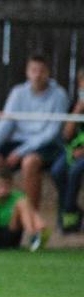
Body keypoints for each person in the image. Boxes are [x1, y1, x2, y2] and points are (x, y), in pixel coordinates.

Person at [0, 53, 67, 211]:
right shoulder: (18, 92)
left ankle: (30, 219)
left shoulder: (59, 95)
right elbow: (6, 122)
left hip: (46, 145)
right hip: (19, 143)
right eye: (33, 70)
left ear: (48, 72)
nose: (37, 75)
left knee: (29, 162)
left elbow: (52, 132)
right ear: (27, 72)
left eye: (41, 70)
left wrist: (21, 151)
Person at [0, 168, 47, 251]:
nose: (3, 190)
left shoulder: (19, 196)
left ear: (11, 185)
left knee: (22, 203)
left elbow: (33, 213)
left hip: (12, 232)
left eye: (6, 186)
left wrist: (39, 223)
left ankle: (33, 236)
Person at [50, 68, 84, 233]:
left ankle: (69, 212)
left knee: (75, 171)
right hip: (73, 151)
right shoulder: (75, 104)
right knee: (57, 170)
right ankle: (71, 212)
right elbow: (66, 135)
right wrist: (78, 109)